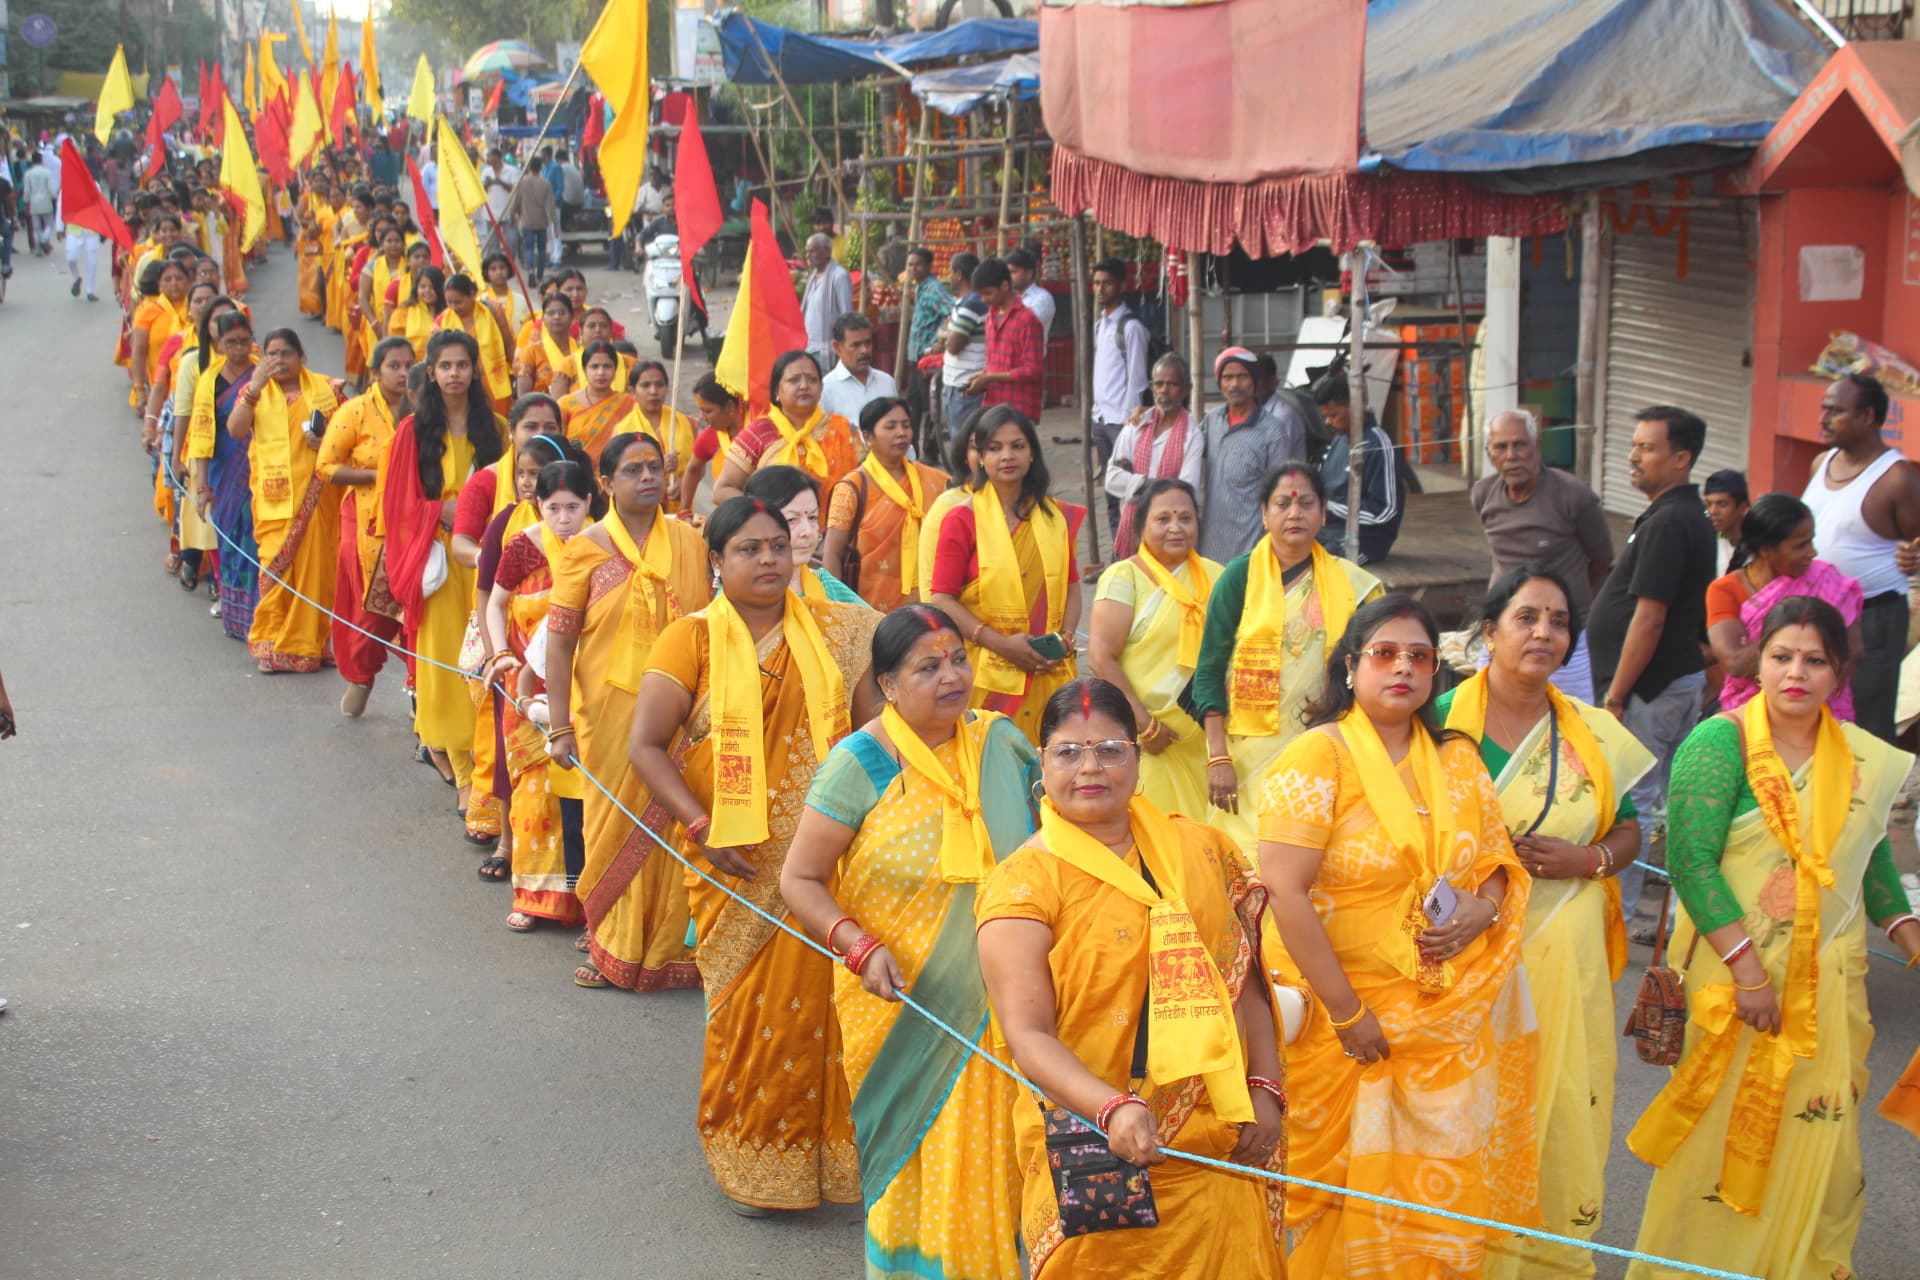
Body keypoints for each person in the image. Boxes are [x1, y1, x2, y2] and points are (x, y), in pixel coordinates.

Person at [1625, 596, 1920, 1280]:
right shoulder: (1719, 742)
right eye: (1782, 656)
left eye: (1815, 660)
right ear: (1758, 661)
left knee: (1819, 1133)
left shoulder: (1854, 758)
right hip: (1735, 983)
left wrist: (1907, 933)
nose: (1796, 673)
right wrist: (1751, 975)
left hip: (1824, 987)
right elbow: (1691, 864)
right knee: (1714, 1138)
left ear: (1839, 673)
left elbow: (1868, 859)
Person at [976, 677, 1286, 1279]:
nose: (1089, 767)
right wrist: (1112, 1107)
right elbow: (1028, 1035)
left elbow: (1242, 975)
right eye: (1068, 751)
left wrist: (1265, 1085)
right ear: (1042, 764)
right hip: (1096, 1150)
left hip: (1215, 1142)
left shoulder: (1203, 850)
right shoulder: (1022, 885)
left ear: (1138, 759)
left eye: (1110, 749)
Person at [1261, 596, 1535, 1276]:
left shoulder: (1458, 760)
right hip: (1347, 1018)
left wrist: (1485, 909)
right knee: (1342, 1201)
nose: (1404, 668)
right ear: (1351, 666)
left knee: (1435, 1200)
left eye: (1421, 657)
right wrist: (1348, 1012)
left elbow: (1499, 863)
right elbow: (1283, 892)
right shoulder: (1317, 757)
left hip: (1446, 1017)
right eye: (1385, 654)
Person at [631, 496, 881, 1215]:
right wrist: (701, 824)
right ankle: (752, 1155)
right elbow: (646, 745)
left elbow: (872, 738)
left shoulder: (845, 632)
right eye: (749, 548)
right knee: (749, 1014)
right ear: (717, 561)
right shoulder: (692, 640)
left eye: (779, 545)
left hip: (827, 858)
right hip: (732, 859)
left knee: (827, 1014)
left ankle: (827, 1163)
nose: (770, 559)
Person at [783, 605, 1040, 1280]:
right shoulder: (860, 762)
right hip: (902, 1003)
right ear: (888, 684)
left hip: (1008, 1002)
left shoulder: (1004, 744)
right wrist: (857, 946)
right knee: (920, 1158)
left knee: (994, 1161)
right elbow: (801, 879)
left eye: (958, 658)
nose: (952, 676)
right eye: (929, 667)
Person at [1436, 567, 1653, 1279]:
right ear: (1489, 631)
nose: (1543, 632)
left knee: (1559, 1111)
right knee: (1471, 1116)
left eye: (1558, 621)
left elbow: (1631, 832)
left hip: (1569, 957)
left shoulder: (1592, 733)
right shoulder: (1438, 725)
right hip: (1465, 961)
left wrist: (1588, 857)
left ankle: (1547, 1262)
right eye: (1526, 617)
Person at [547, 431, 711, 990]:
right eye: (633, 469)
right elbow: (561, 641)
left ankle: (671, 953)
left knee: (681, 825)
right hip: (609, 716)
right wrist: (560, 725)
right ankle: (610, 946)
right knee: (611, 826)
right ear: (606, 483)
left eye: (654, 468)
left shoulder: (689, 541)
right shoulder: (585, 549)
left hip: (682, 714)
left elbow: (709, 626)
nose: (648, 477)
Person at [1190, 463, 1382, 853]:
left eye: (1306, 503)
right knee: (1247, 857)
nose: (1294, 513)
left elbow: (1372, 666)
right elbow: (1208, 669)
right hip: (1248, 752)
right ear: (1264, 514)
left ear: (1323, 513)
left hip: (1326, 742)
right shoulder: (1239, 577)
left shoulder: (1351, 584)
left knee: (1313, 853)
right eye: (1282, 504)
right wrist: (1217, 757)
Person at [1588, 405, 1717, 924]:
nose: (1632, 456)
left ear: (1680, 458)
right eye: (1634, 445)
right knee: (1671, 804)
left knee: (1634, 806)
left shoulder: (1671, 522)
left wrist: (1617, 695)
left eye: (1647, 447)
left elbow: (1649, 618)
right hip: (1668, 683)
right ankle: (1682, 918)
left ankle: (1614, 919)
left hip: (1650, 688)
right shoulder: (1677, 515)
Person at [381, 329, 505, 817]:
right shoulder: (412, 432)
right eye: (445, 365)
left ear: (475, 369)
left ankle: (487, 764)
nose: (455, 373)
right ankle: (460, 770)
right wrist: (443, 512)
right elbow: (397, 505)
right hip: (436, 566)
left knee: (486, 662)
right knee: (447, 668)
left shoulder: (493, 428)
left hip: (482, 564)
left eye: (463, 364)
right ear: (430, 372)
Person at [481, 444, 599, 933]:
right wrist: (498, 652)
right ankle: (533, 897)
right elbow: (495, 602)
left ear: (590, 503)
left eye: (573, 507)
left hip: (582, 685)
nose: (564, 518)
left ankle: (587, 902)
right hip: (525, 688)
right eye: (554, 507)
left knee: (580, 799)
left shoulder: (601, 547)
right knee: (534, 790)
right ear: (538, 506)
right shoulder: (524, 547)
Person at [930, 407, 1084, 742]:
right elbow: (941, 598)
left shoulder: (1054, 516)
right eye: (995, 448)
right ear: (981, 458)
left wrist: (1066, 639)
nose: (1007, 456)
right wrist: (1000, 644)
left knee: (1051, 768)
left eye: (1017, 446)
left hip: (1050, 670)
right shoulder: (961, 520)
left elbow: (1072, 585)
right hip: (988, 678)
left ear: (1032, 455)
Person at [1090, 479, 1220, 818]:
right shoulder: (1125, 577)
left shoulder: (1217, 577)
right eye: (1163, 519)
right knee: (1155, 833)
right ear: (1141, 526)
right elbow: (1101, 658)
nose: (1175, 528)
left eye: (1185, 518)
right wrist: (1145, 725)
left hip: (1207, 738)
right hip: (1151, 740)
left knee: (1208, 837)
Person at [1804, 372, 1920, 745]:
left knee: (1866, 721)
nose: (1823, 419)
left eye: (1835, 411)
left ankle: (1869, 799)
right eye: (1823, 408)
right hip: (1814, 613)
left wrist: (1913, 557)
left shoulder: (1897, 478)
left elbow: (1916, 542)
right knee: (1812, 711)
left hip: (1873, 616)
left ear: (1868, 416)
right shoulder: (1820, 462)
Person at [1472, 408, 1615, 701]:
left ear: (1536, 447)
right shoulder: (1484, 494)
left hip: (1563, 633)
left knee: (1571, 719)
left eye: (1520, 444)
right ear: (1490, 455)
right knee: (1486, 710)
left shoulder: (1573, 496)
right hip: (1504, 627)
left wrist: (1570, 596)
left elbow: (1602, 557)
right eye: (1501, 447)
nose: (1512, 455)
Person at [226, 328, 342, 674]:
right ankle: (275, 646)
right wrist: (255, 388)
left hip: (317, 498)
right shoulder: (255, 394)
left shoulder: (328, 390)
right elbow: (235, 430)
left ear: (301, 357)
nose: (279, 361)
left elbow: (345, 438)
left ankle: (314, 645)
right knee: (275, 574)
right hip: (273, 504)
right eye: (272, 354)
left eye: (286, 353)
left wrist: (323, 442)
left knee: (318, 572)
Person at [1707, 493, 1863, 722]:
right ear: (1765, 549)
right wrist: (1814, 641)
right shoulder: (1726, 590)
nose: (1812, 552)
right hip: (1752, 716)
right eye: (1800, 545)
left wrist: (1770, 650)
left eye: (1811, 540)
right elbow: (1736, 663)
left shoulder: (1828, 581)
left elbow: (1853, 651)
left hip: (1821, 713)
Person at [320, 336, 413, 716]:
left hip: (414, 523)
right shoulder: (355, 412)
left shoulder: (423, 412)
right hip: (364, 523)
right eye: (395, 365)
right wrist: (378, 476)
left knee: (418, 606)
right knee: (369, 609)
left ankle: (418, 688)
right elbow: (326, 467)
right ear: (376, 371)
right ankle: (361, 676)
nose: (404, 373)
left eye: (410, 365)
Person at [822, 398, 947, 611]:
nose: (901, 433)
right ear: (868, 436)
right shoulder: (852, 488)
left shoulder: (934, 480)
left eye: (906, 425)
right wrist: (839, 609)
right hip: (871, 606)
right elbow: (832, 553)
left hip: (930, 602)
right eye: (891, 426)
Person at [189, 309, 264, 642]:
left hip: (260, 470)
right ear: (218, 343)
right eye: (230, 342)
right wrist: (202, 486)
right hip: (225, 471)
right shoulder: (211, 380)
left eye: (244, 340)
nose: (238, 348)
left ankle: (261, 617)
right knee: (231, 540)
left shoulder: (262, 372)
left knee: (258, 542)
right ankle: (236, 616)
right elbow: (202, 435)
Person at [710, 350, 859, 503]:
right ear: (776, 391)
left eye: (812, 380)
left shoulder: (845, 429)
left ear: (821, 388)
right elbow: (722, 489)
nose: (804, 386)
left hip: (836, 527)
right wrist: (764, 512)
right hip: (774, 526)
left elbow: (867, 483)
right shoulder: (760, 432)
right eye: (794, 380)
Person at [1198, 348, 1301, 563]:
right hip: (1208, 546)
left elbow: (1279, 494)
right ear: (1219, 382)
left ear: (1254, 381)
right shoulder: (1212, 421)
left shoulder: (1273, 430)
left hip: (1249, 549)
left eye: (1242, 376)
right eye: (1228, 377)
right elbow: (1184, 445)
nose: (1234, 384)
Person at [1105, 353, 1204, 559]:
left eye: (1172, 384)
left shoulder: (1192, 435)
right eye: (1159, 384)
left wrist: (1134, 481)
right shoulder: (1138, 424)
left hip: (1169, 538)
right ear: (1151, 387)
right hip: (1131, 531)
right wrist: (1161, 484)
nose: (1164, 390)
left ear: (1186, 389)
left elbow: (1185, 491)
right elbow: (1111, 479)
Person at [1314, 374, 1405, 565]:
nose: (1328, 422)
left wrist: (1329, 507)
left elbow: (1385, 512)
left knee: (1322, 562)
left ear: (1355, 407)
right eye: (1325, 417)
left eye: (1333, 415)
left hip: (1367, 540)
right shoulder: (1339, 440)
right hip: (1334, 530)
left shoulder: (1378, 444)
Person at [742, 465, 865, 604]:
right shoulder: (738, 595)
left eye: (812, 518)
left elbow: (877, 624)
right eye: (792, 519)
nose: (807, 531)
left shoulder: (826, 586)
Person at [1090, 256, 1150, 523]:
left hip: (1122, 422)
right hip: (1101, 419)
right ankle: (1117, 553)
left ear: (1121, 285)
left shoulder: (1131, 327)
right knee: (1110, 492)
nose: (1101, 289)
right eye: (1097, 283)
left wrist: (1130, 423)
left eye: (1108, 283)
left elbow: (1137, 379)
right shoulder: (1099, 325)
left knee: (1129, 492)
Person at [964, 257, 1045, 423]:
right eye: (981, 294)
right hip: (993, 405)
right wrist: (982, 377)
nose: (984, 299)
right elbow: (994, 363)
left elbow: (1033, 370)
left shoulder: (1027, 320)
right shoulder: (990, 317)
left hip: (1019, 409)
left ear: (1005, 286)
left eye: (988, 293)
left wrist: (991, 377)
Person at [436, 273, 515, 414]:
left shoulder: (492, 311)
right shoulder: (442, 321)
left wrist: (516, 371)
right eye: (449, 302)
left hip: (494, 383)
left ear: (472, 294)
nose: (453, 307)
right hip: (462, 385)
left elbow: (509, 344)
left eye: (458, 302)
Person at [622, 360, 697, 506]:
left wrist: (684, 482)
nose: (653, 391)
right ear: (632, 391)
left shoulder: (685, 423)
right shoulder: (623, 430)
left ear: (668, 388)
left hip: (680, 507)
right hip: (640, 510)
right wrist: (659, 468)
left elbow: (697, 467)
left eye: (659, 385)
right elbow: (620, 477)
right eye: (645, 385)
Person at [557, 341, 637, 464]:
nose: (601, 372)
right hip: (575, 474)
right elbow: (558, 445)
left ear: (615, 369)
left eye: (607, 366)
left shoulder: (629, 403)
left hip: (615, 475)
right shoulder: (565, 404)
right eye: (594, 367)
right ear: (584, 370)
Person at [938, 253, 988, 444]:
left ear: (958, 274)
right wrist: (946, 333)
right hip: (956, 382)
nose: (949, 276)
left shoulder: (972, 304)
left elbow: (953, 346)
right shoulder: (963, 303)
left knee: (964, 443)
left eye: (951, 272)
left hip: (965, 385)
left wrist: (945, 334)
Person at [818, 312, 898, 425]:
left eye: (868, 343)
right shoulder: (825, 390)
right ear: (837, 348)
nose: (864, 350)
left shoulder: (887, 382)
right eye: (856, 345)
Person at [681, 373, 741, 512]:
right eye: (701, 411)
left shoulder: (756, 435)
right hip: (727, 516)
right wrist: (684, 511)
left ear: (730, 407)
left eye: (707, 411)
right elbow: (693, 469)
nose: (702, 418)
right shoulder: (711, 435)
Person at [801, 232, 853, 368]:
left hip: (828, 349)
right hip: (809, 347)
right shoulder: (812, 277)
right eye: (808, 251)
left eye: (813, 251)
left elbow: (846, 316)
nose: (809, 255)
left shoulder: (839, 276)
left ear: (826, 252)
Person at [513, 290, 576, 397]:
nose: (556, 317)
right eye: (551, 313)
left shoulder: (580, 348)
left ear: (572, 317)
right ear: (543, 318)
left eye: (562, 313)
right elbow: (523, 395)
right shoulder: (532, 351)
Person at [504, 163, 555, 276]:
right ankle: (540, 274)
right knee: (542, 249)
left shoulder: (522, 183)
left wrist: (512, 216)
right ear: (540, 168)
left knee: (528, 248)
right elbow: (551, 206)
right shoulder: (546, 183)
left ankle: (531, 270)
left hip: (527, 221)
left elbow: (515, 201)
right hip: (542, 221)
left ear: (528, 168)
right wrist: (555, 225)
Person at [389, 264, 443, 359]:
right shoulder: (403, 311)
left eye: (432, 287)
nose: (427, 291)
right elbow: (395, 344)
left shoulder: (449, 312)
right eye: (422, 286)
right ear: (416, 288)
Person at [1703, 468, 1750, 575]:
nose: (1713, 511)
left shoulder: (1759, 549)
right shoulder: (1711, 542)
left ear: (1742, 507)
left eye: (1722, 504)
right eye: (1708, 504)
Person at [1004, 245, 1055, 343]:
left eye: (1013, 272)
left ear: (1029, 273)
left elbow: (1024, 327)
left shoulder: (1042, 298)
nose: (1008, 277)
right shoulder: (1010, 297)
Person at [21, 154, 56, 254]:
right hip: (45, 201)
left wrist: (26, 201)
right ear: (41, 160)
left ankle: (38, 249)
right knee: (49, 223)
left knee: (36, 227)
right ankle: (44, 239)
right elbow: (51, 189)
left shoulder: (28, 173)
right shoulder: (47, 173)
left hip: (34, 202)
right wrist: (54, 196)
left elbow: (27, 191)